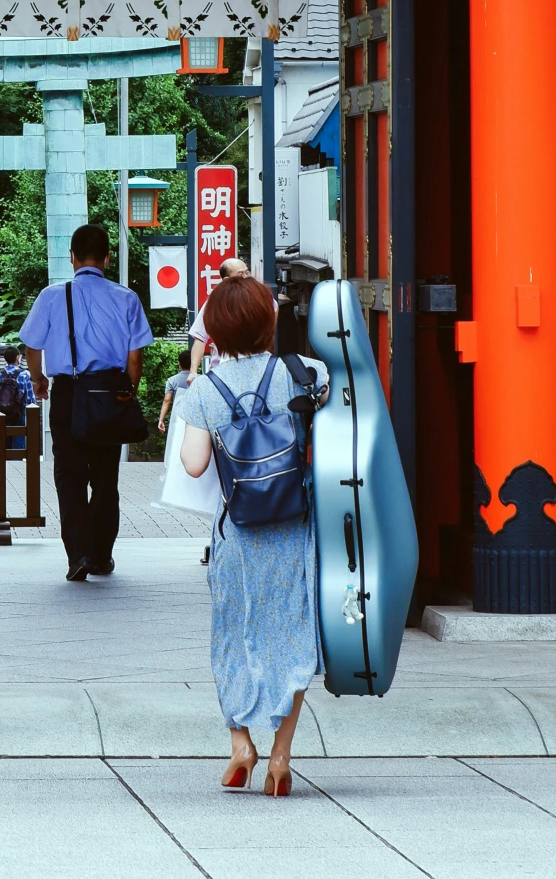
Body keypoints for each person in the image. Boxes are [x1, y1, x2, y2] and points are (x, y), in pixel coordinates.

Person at [177, 271, 325, 799]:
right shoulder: (305, 373)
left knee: (233, 638)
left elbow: (194, 465)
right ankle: (281, 758)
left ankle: (241, 743)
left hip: (238, 537)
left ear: (213, 333)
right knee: (292, 635)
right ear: (270, 321)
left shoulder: (205, 392)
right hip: (293, 530)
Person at [19, 222, 153, 582]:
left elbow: (32, 346)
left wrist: (38, 379)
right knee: (106, 478)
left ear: (72, 258)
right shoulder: (127, 298)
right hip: (110, 391)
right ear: (108, 259)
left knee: (70, 476)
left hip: (68, 392)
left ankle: (78, 554)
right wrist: (130, 390)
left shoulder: (51, 296)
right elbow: (135, 357)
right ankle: (102, 554)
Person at [190, 254, 253, 375]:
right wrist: (193, 371)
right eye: (240, 274)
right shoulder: (215, 302)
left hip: (254, 366)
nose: (246, 277)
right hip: (222, 370)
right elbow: (199, 336)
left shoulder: (259, 298)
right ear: (226, 280)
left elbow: (274, 311)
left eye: (247, 272)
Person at [158, 345, 193, 433]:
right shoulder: (201, 379)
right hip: (196, 417)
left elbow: (167, 400)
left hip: (178, 417)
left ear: (179, 363)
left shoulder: (172, 380)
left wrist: (161, 420)